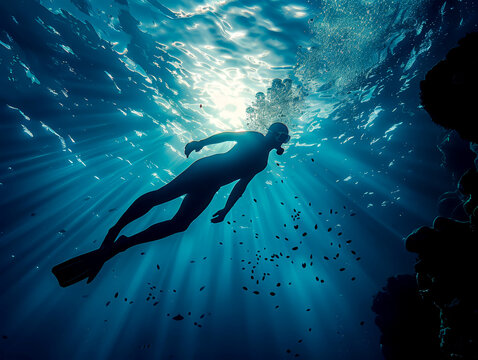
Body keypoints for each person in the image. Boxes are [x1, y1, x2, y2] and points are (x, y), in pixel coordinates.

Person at [52, 122, 290, 287]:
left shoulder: (262, 163)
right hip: (205, 170)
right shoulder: (254, 137)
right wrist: (201, 142)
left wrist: (227, 209)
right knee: (160, 196)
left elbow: (241, 185)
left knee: (180, 224)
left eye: (284, 137)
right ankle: (115, 229)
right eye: (278, 133)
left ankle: (123, 244)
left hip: (211, 186)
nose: (280, 138)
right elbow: (228, 135)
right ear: (270, 132)